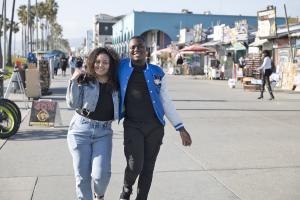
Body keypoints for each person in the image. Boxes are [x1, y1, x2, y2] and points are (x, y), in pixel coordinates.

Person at [118, 36, 192, 200]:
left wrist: (180, 127)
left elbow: (165, 101)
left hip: (155, 127)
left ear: (147, 50)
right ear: (128, 50)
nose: (137, 49)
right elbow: (100, 65)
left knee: (148, 167)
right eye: (133, 47)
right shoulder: (121, 67)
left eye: (140, 47)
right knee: (135, 164)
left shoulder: (157, 72)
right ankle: (126, 189)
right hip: (132, 126)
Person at [66, 47, 120, 200]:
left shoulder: (116, 84)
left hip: (103, 133)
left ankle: (99, 195)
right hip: (80, 131)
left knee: (101, 175)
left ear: (111, 65)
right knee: (82, 177)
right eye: (97, 61)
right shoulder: (85, 79)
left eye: (105, 62)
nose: (100, 65)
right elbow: (72, 103)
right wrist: (73, 81)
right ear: (92, 62)